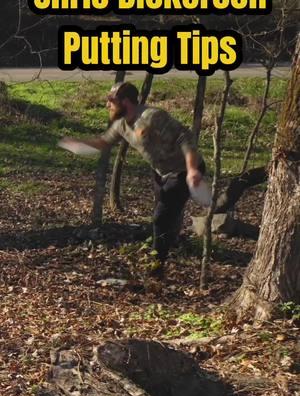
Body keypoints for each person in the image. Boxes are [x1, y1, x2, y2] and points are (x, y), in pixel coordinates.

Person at [60, 81, 205, 276]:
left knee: (161, 217)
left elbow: (184, 138)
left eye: (111, 100)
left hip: (183, 169)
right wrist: (76, 144)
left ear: (126, 102)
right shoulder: (121, 125)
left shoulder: (152, 117)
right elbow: (103, 143)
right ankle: (172, 241)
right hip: (161, 172)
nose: (107, 105)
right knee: (166, 212)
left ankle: (155, 269)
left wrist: (192, 169)